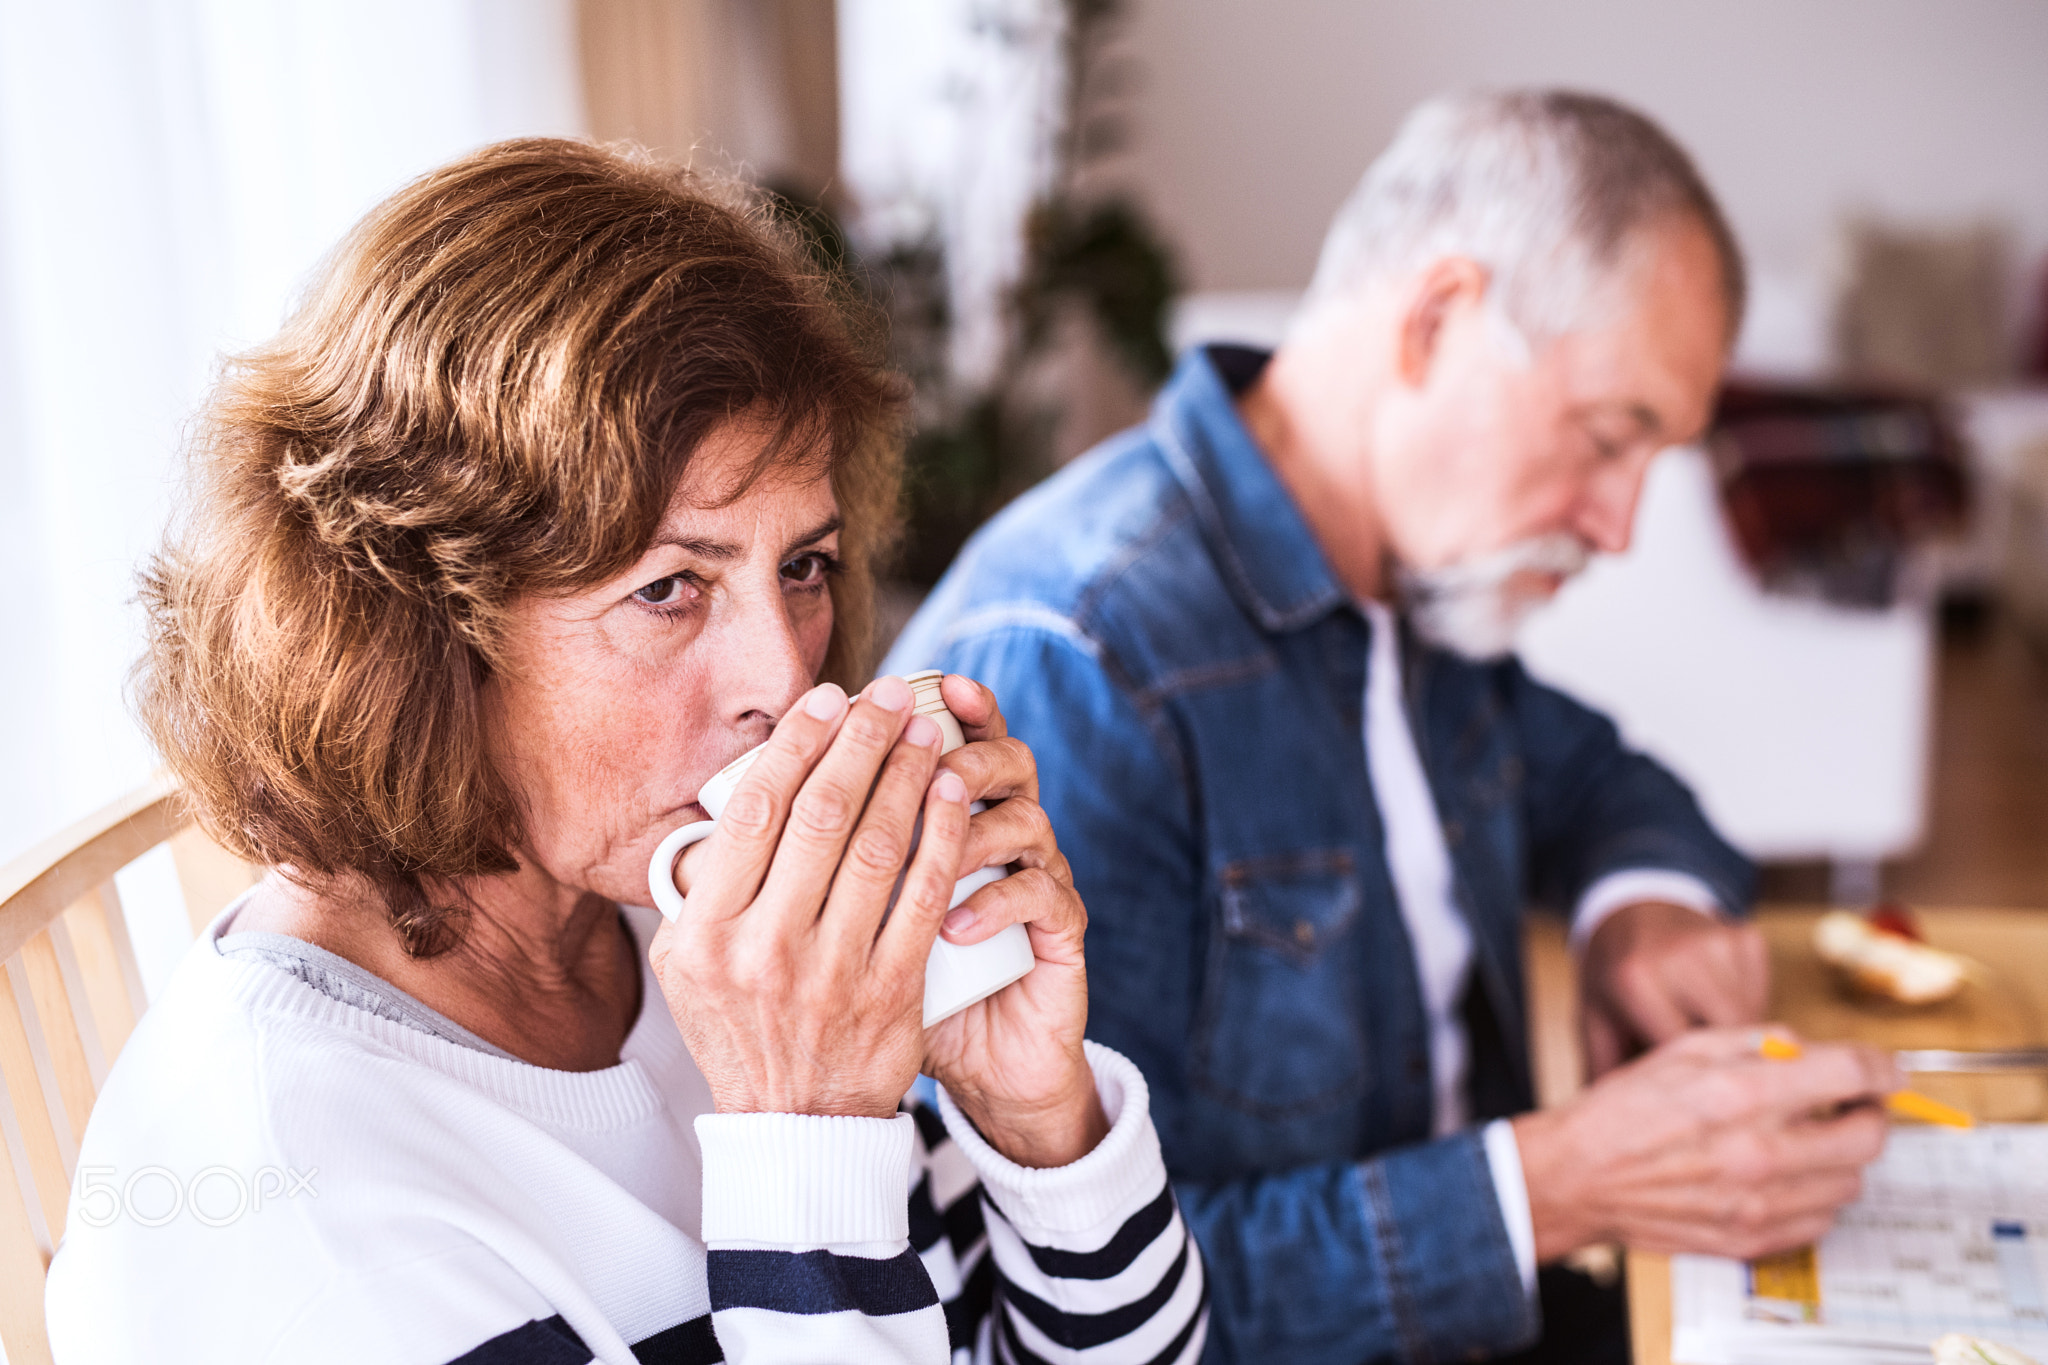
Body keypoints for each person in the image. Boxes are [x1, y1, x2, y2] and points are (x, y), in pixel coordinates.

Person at [46, 140, 1207, 1365]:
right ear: (411, 626)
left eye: (801, 567)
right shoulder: (292, 1222)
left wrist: (1036, 1122)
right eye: (668, 587)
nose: (787, 678)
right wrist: (800, 1133)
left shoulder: (687, 934)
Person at [884, 91, 1897, 1363]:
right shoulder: (1075, 662)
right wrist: (1555, 1185)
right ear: (1435, 322)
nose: (1618, 527)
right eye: (1605, 437)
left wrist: (1642, 905)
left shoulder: (1415, 583)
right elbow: (1053, 1308)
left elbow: (1603, 780)